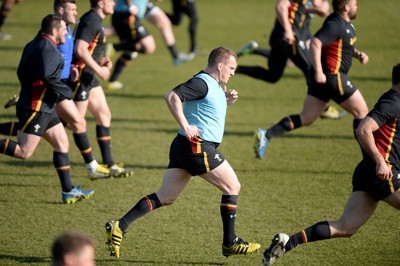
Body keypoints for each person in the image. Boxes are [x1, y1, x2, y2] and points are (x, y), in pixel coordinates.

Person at [105, 47, 260, 258]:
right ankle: (230, 242)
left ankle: (119, 226)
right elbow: (171, 96)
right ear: (220, 65)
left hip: (183, 146)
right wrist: (185, 125)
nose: (233, 73)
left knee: (166, 197)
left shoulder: (213, 85)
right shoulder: (201, 82)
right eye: (231, 68)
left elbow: (206, 112)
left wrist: (226, 101)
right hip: (196, 145)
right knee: (232, 186)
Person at [262, 63, 400, 266]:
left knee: (346, 228)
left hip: (369, 171)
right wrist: (380, 162)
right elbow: (363, 129)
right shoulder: (392, 102)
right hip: (382, 172)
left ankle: (289, 242)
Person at [0, 0, 114, 180]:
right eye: (72, 9)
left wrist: (74, 69)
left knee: (55, 133)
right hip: (53, 89)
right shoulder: (53, 34)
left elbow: (68, 57)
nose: (76, 13)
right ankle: (91, 166)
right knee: (77, 122)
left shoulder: (66, 31)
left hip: (59, 86)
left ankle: (71, 187)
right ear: (61, 10)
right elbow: (43, 62)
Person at [254, 0, 369, 160]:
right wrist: (319, 72)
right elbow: (315, 43)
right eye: (355, 4)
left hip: (324, 80)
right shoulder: (335, 24)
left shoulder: (344, 24)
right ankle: (369, 160)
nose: (357, 7)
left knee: (306, 118)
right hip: (333, 76)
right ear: (347, 7)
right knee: (362, 113)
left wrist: (357, 54)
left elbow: (341, 44)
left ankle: (267, 134)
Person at [0, 14, 94, 204]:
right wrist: (67, 92)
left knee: (62, 143)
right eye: (63, 29)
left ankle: (68, 191)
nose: (66, 32)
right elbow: (48, 78)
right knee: (24, 152)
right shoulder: (49, 50)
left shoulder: (33, 44)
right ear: (54, 31)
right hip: (36, 107)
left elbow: (21, 71)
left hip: (44, 106)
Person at [236, 0, 346, 120]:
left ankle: (237, 68)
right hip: (289, 36)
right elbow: (281, 6)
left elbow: (310, 8)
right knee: (312, 69)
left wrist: (316, 10)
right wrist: (288, 30)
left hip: (291, 36)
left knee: (273, 76)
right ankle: (324, 108)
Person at [71, 0, 133, 176]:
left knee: (104, 115)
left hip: (90, 77)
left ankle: (109, 164)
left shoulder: (96, 20)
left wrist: (100, 62)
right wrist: (98, 69)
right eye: (110, 0)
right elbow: (80, 49)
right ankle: (35, 115)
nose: (114, 3)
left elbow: (88, 50)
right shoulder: (91, 21)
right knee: (73, 122)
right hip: (82, 77)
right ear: (100, 3)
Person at [104, 0, 156, 90]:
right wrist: (131, 6)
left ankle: (112, 81)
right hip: (127, 16)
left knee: (131, 51)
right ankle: (115, 47)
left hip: (128, 17)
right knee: (149, 47)